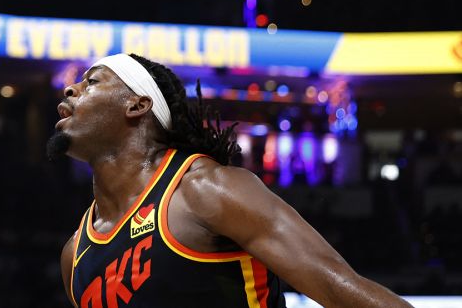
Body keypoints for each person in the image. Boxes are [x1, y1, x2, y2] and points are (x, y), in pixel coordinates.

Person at [51, 53, 413, 308]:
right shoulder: (76, 255)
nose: (70, 89)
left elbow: (340, 290)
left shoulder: (204, 190)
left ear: (137, 105)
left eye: (92, 82)